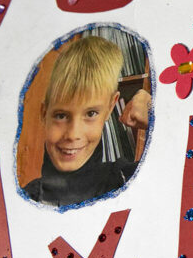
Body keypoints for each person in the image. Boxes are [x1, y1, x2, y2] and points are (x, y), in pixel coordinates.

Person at [22, 36, 151, 206]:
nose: (73, 134)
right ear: (44, 113)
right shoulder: (25, 199)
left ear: (110, 107)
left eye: (91, 114)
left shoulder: (128, 179)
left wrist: (156, 115)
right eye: (61, 116)